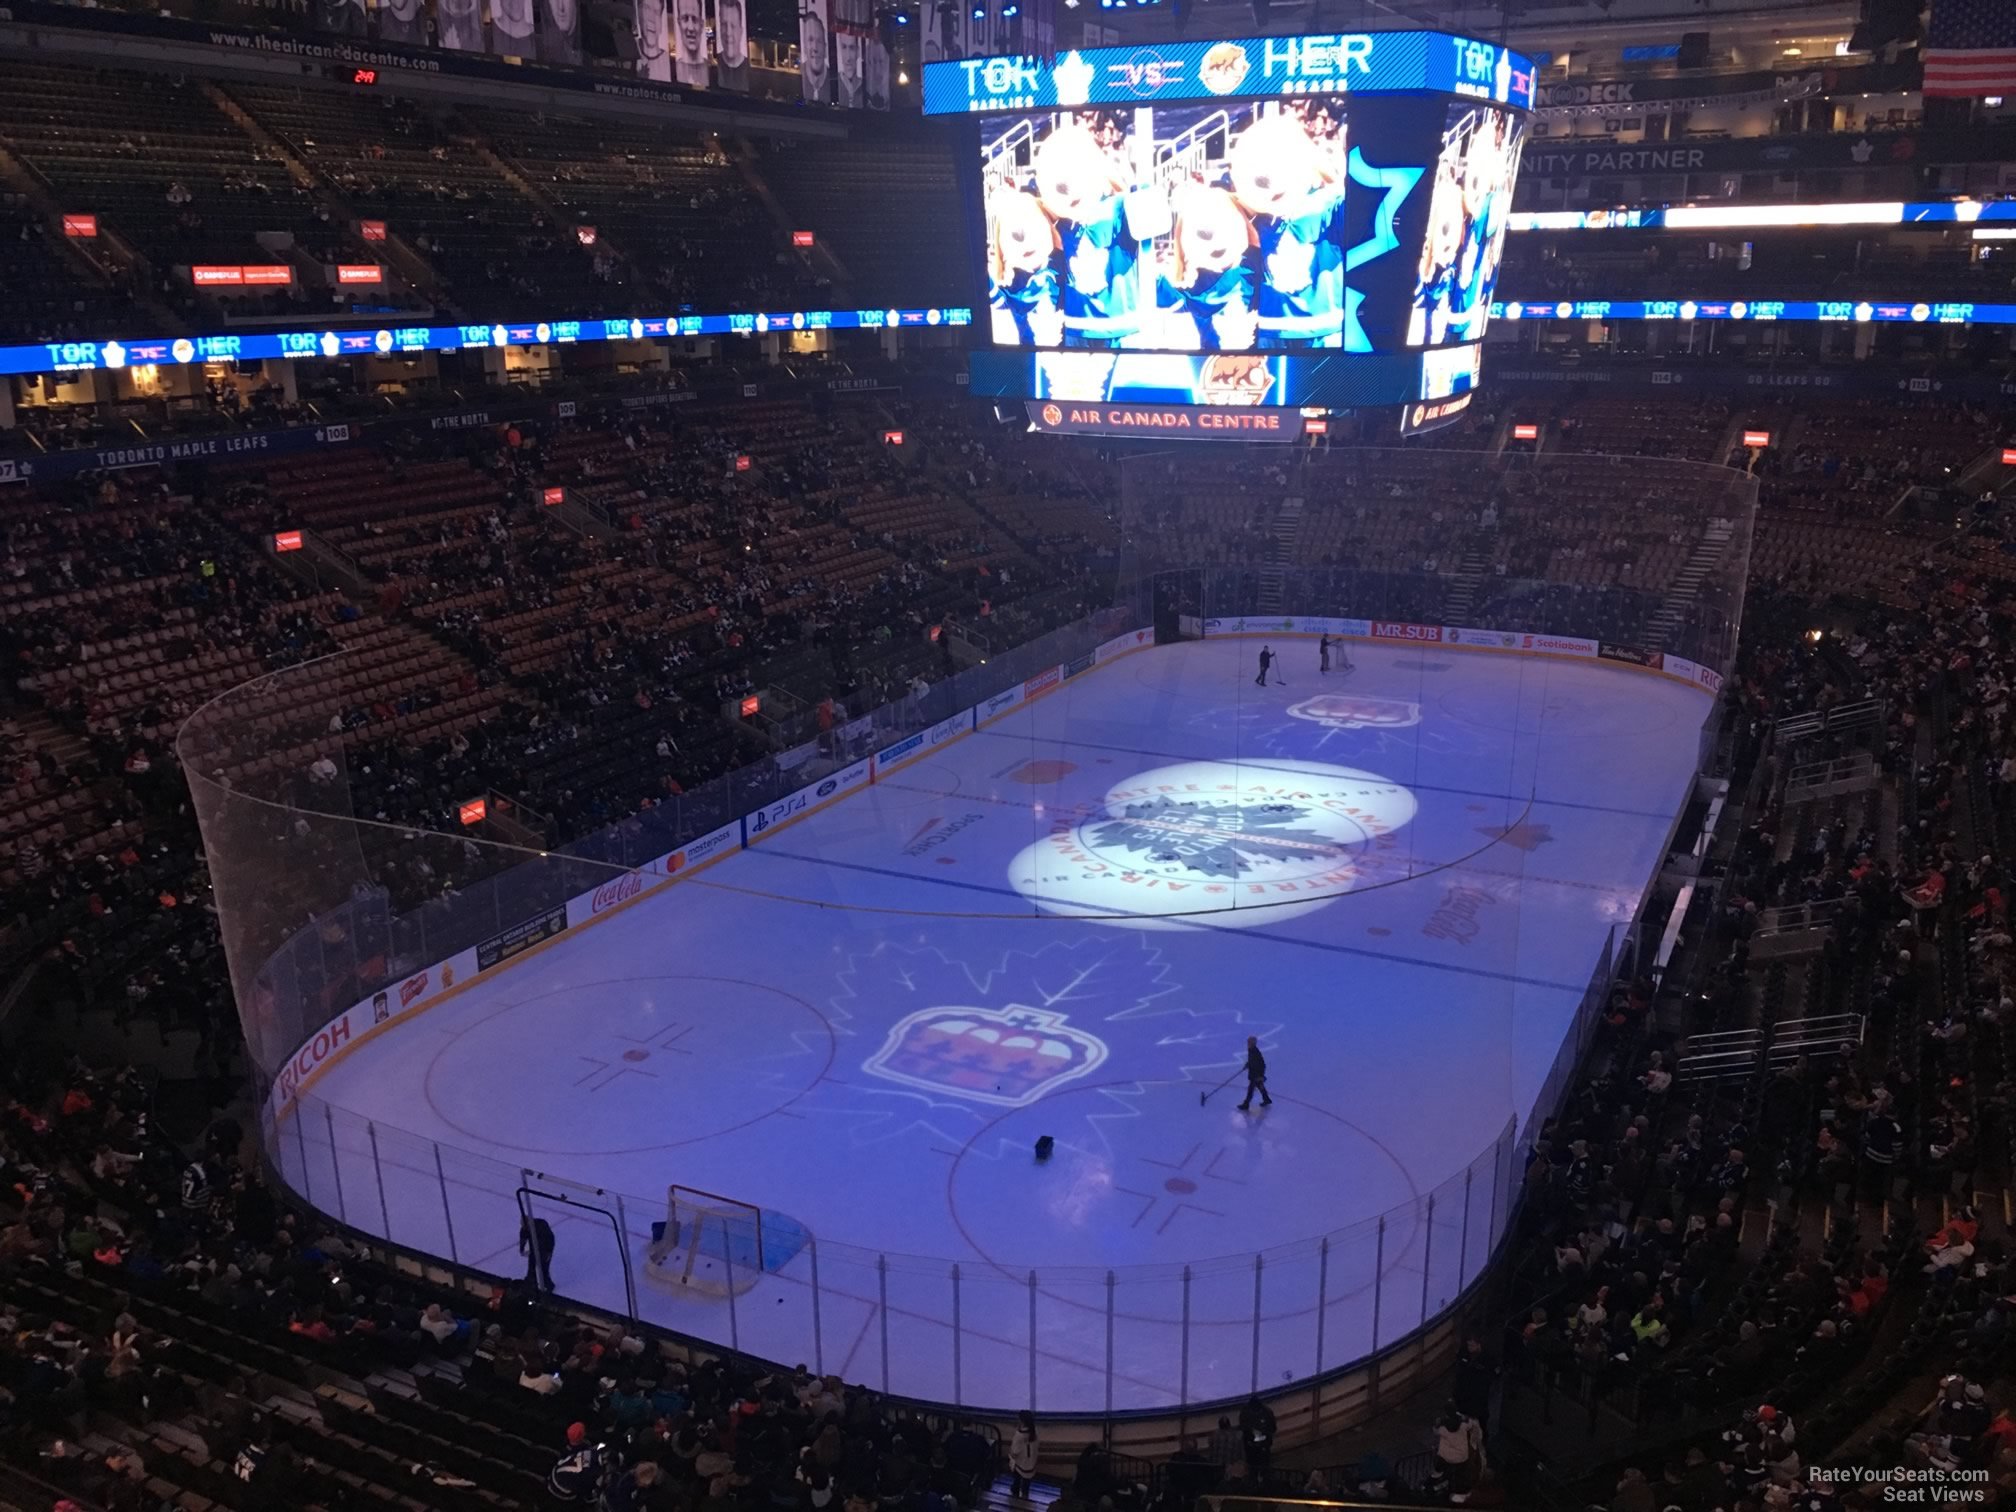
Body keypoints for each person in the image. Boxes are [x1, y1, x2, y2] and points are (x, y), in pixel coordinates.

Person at [1008, 1411, 1039, 1501]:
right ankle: (1025, 1495)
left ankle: (1015, 1493)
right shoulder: (1035, 1431)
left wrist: (1010, 1455)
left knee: (1017, 1478)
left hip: (1020, 1462)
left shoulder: (1019, 1435)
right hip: (1031, 1461)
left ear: (1021, 1421)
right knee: (1027, 1481)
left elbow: (1014, 1451)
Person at [521, 1213, 556, 1292]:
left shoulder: (541, 1225)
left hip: (544, 1249)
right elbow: (523, 1238)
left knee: (543, 1268)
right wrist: (522, 1249)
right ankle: (530, 1282)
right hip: (534, 1249)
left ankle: (549, 1285)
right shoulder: (525, 1229)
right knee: (531, 1266)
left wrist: (549, 1252)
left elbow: (550, 1238)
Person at [1237, 1036, 1273, 1111]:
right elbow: (1252, 1061)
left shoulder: (1254, 1051)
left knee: (1251, 1089)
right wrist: (1248, 1064)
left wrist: (1260, 1075)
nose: (1248, 1043)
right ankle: (1266, 1099)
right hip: (1255, 1073)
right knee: (1259, 1086)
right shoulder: (1251, 1050)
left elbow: (1259, 1064)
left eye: (1249, 1042)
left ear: (1252, 1043)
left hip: (1256, 1074)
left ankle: (1246, 1104)